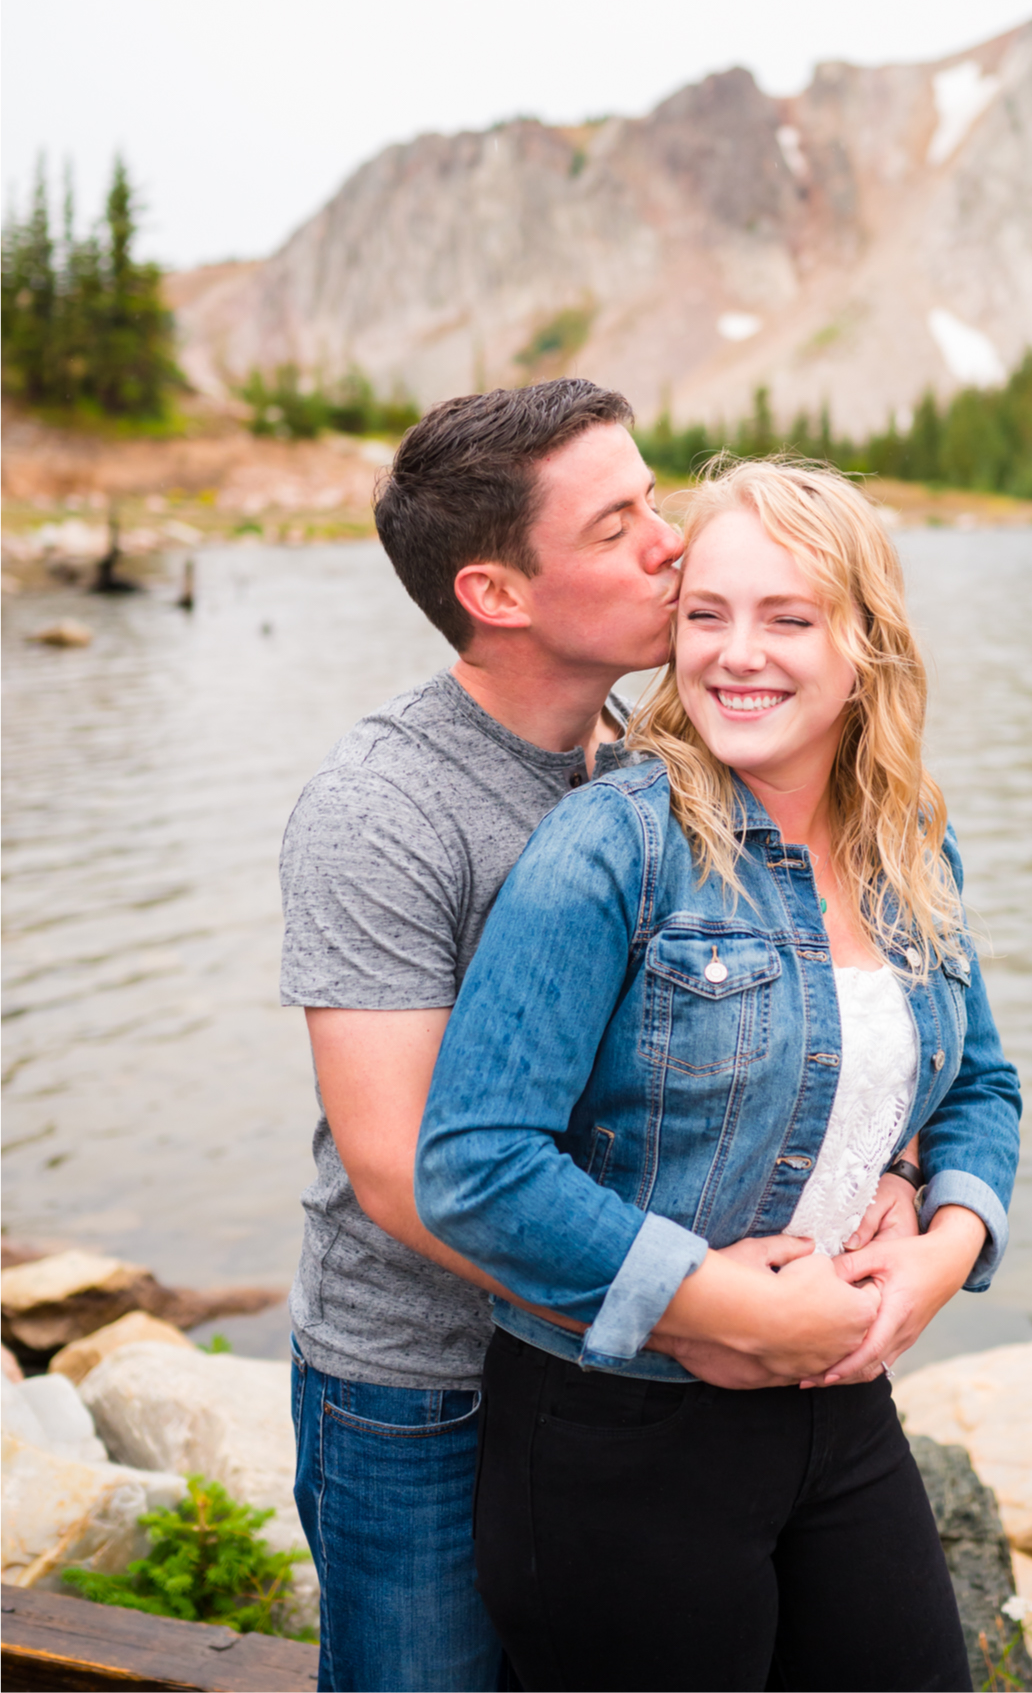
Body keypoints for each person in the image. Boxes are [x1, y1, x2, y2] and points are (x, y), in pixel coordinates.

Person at [280, 383, 920, 1693]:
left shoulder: (649, 762)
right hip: (422, 1389)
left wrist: (896, 1186)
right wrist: (707, 1312)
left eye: (655, 499)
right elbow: (404, 1169)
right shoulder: (382, 804)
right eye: (618, 524)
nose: (671, 545)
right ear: (499, 595)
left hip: (604, 1393)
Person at [417, 455, 1023, 1693]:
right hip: (616, 1432)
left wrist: (940, 1253)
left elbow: (982, 1088)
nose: (737, 654)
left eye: (788, 617)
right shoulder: (614, 847)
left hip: (837, 1407)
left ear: (867, 645)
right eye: (707, 615)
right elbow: (473, 1168)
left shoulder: (910, 838)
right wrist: (714, 1298)